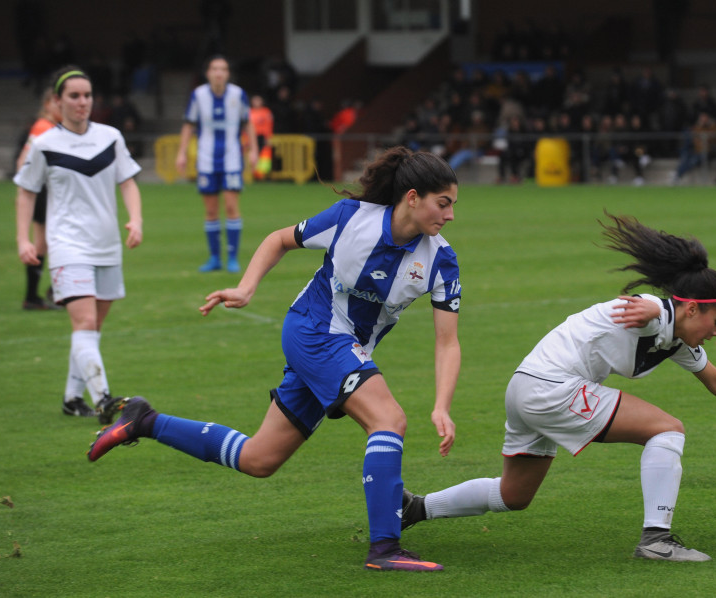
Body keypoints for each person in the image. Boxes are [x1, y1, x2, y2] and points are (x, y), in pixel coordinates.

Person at [88, 147, 462, 572]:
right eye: (443, 203)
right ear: (412, 197)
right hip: (313, 330)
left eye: (452, 205)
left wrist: (441, 405)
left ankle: (144, 420)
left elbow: (447, 342)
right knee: (388, 420)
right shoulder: (350, 218)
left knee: (258, 459)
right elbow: (279, 239)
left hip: (342, 350)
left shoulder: (440, 259)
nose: (449, 215)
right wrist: (246, 288)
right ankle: (385, 548)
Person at [400, 213, 716, 563]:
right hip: (552, 388)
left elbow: (715, 380)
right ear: (690, 308)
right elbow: (650, 310)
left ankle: (415, 507)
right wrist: (657, 306)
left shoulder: (677, 339)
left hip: (526, 389)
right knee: (667, 429)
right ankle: (657, 540)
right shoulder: (652, 313)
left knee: (514, 494)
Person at [14, 66, 143, 421]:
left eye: (87, 95)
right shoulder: (44, 144)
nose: (82, 102)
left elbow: (128, 182)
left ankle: (73, 399)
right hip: (67, 246)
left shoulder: (110, 137)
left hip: (107, 245)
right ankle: (105, 401)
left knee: (91, 329)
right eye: (74, 95)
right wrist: (23, 239)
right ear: (57, 101)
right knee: (84, 322)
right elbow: (26, 192)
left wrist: (136, 219)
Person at [176, 55, 258, 274]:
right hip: (206, 160)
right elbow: (188, 125)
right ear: (208, 73)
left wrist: (253, 151)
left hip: (232, 159)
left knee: (231, 207)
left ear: (227, 73)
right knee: (211, 211)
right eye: (214, 69)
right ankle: (214, 258)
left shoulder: (238, 94)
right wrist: (181, 152)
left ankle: (232, 257)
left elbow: (248, 123)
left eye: (223, 69)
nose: (219, 73)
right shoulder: (199, 95)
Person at [16, 87, 64, 311]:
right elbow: (24, 162)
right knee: (49, 242)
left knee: (46, 243)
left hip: (46, 191)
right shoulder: (43, 128)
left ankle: (42, 294)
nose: (62, 108)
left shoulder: (52, 127)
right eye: (58, 103)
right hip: (44, 192)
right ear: (47, 104)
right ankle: (50, 293)